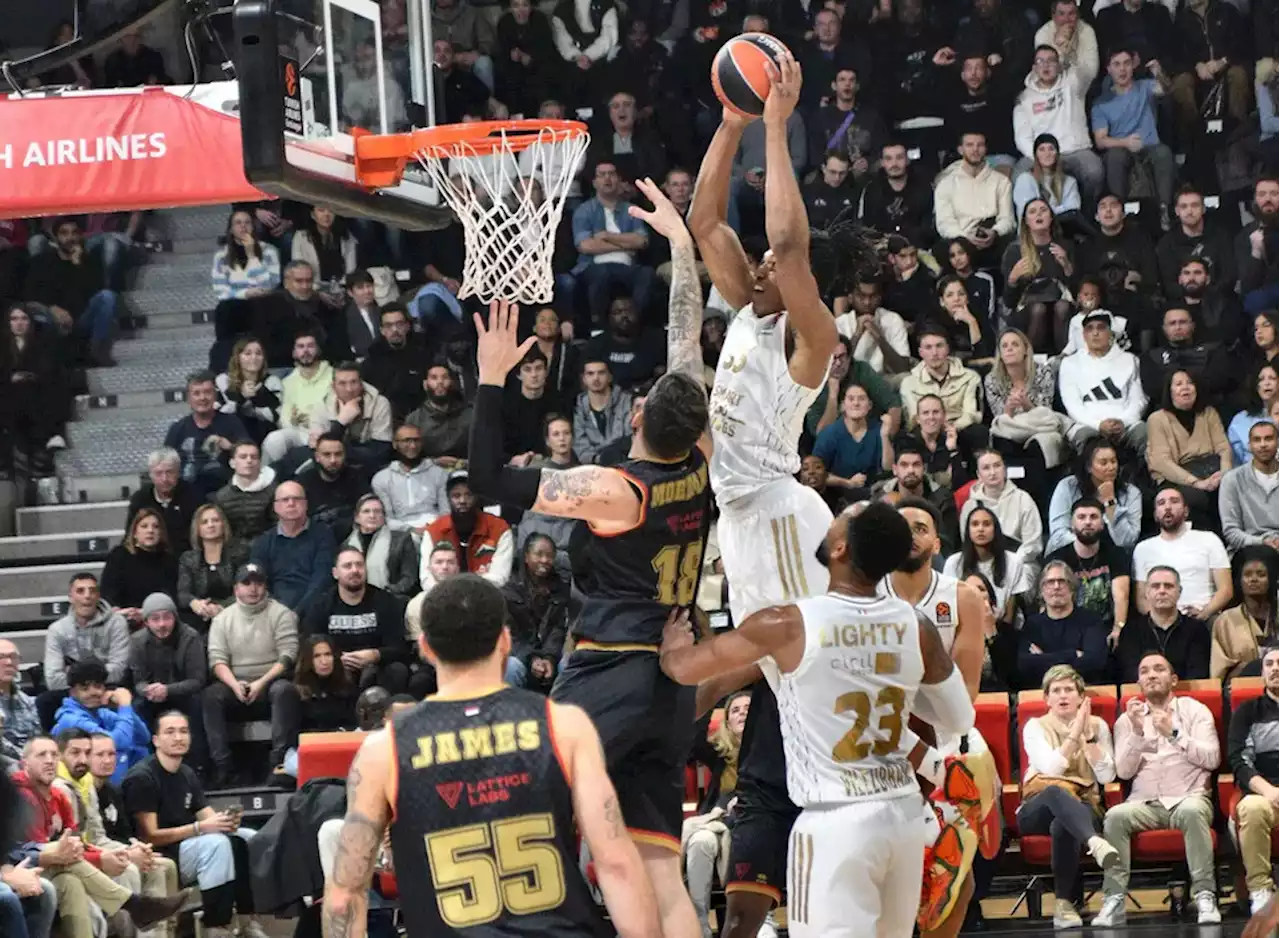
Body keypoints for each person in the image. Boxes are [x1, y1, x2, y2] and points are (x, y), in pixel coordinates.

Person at [467, 175, 716, 937]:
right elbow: (685, 341)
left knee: (517, 797)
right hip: (670, 679)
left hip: (612, 665)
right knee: (656, 870)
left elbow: (485, 482)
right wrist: (680, 245)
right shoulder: (702, 457)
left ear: (638, 412)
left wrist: (489, 377)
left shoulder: (613, 490)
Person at [658, 502, 977, 938]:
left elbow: (686, 671)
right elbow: (958, 716)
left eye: (837, 522)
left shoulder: (789, 623)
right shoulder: (915, 624)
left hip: (834, 821)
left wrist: (674, 646)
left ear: (841, 547)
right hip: (901, 817)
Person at [320, 574, 662, 938]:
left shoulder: (383, 751)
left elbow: (344, 897)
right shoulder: (564, 725)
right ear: (505, 641)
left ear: (425, 647)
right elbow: (616, 865)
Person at [16, 736, 190, 938]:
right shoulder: (20, 795)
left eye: (53, 754)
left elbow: (78, 841)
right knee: (59, 853)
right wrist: (100, 858)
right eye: (41, 755)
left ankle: (141, 910)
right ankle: (136, 905)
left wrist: (120, 851)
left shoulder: (58, 795)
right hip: (24, 867)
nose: (49, 760)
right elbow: (33, 850)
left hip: (59, 869)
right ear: (24, 762)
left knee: (70, 882)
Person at [123, 711, 262, 938]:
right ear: (156, 740)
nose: (178, 737)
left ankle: (248, 920)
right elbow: (149, 835)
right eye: (170, 732)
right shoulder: (143, 777)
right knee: (215, 845)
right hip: (160, 852)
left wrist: (227, 822)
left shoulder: (186, 772)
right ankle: (216, 926)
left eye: (183, 731)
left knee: (247, 836)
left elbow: (207, 817)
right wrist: (200, 828)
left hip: (188, 846)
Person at [1016, 665, 1117, 928]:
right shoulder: (1034, 726)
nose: (1063, 696)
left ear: (1081, 697)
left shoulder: (1097, 726)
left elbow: (1106, 777)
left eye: (1069, 690)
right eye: (1056, 690)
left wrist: (1089, 736)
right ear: (1046, 698)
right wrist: (1074, 735)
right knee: (1054, 790)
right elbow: (1051, 770)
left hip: (1083, 806)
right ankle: (1095, 842)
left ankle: (1063, 905)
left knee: (1063, 824)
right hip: (1037, 806)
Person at [203, 564, 301, 787]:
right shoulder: (223, 619)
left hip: (269, 683)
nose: (253, 588)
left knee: (284, 690)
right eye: (246, 583)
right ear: (236, 588)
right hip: (235, 685)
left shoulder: (281, 613)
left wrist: (260, 683)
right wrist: (235, 685)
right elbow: (217, 660)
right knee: (211, 696)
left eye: (258, 583)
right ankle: (223, 768)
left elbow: (288, 656)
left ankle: (280, 763)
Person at [683, 691, 749, 938]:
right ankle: (699, 924)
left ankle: (748, 922)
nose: (742, 712)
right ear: (728, 722)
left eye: (748, 708)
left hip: (751, 821)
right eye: (735, 710)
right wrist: (714, 696)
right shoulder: (720, 754)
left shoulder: (774, 751)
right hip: (716, 820)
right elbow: (694, 740)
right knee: (700, 841)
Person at [301, 547, 410, 693]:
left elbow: (399, 647)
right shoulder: (321, 605)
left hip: (377, 670)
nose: (354, 570)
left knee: (398, 669)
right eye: (347, 566)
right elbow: (310, 644)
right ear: (335, 573)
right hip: (336, 669)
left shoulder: (386, 601)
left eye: (359, 565)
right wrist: (337, 659)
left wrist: (375, 655)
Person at [40, 574, 130, 730]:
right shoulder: (57, 629)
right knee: (44, 701)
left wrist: (84, 681)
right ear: (70, 597)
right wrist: (83, 688)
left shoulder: (117, 623)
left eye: (92, 591)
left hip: (107, 687)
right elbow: (53, 679)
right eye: (80, 591)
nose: (87, 596)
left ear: (98, 596)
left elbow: (119, 670)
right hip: (73, 690)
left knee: (128, 696)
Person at [1228, 645, 1280, 912]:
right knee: (1250, 808)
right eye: (1269, 664)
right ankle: (1260, 888)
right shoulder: (1248, 712)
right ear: (1262, 673)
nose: (1275, 668)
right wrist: (1268, 791)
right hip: (1265, 792)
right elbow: (1238, 760)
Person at [127, 593, 206, 766]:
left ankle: (198, 766)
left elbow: (197, 680)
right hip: (153, 697)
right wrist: (148, 690)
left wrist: (168, 690)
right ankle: (146, 763)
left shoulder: (190, 637)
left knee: (198, 702)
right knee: (137, 706)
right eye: (155, 619)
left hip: (184, 694)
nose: (162, 624)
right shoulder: (137, 641)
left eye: (166, 618)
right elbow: (138, 681)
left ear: (175, 618)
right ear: (146, 622)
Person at [1132, 486, 1233, 619]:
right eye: (1161, 503)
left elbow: (1226, 590)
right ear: (1156, 515)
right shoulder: (1142, 549)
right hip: (1160, 622)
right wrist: (1164, 620)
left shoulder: (1209, 539)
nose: (1168, 507)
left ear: (1186, 511)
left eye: (1174, 501)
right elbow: (1141, 600)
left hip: (1204, 617)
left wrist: (1204, 613)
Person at [1058, 311, 1149, 457]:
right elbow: (1072, 404)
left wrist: (1123, 422)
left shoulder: (1130, 360)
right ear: (1084, 335)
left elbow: (1139, 399)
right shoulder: (1070, 363)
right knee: (1084, 437)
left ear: (1111, 333)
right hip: (1088, 424)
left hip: (1125, 423)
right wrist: (1098, 425)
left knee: (1144, 432)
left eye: (1100, 328)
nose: (1095, 333)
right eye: (1089, 329)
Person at [1044, 497, 1132, 644]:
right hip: (1068, 629)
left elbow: (1121, 596)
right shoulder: (1057, 558)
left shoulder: (1116, 554)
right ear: (1072, 524)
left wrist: (1118, 628)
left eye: (1094, 517)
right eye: (1081, 517)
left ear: (1103, 523)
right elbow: (1048, 600)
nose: (1088, 522)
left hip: (1106, 627)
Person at [51, 660, 150, 786]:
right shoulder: (70, 719)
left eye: (98, 686)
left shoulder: (101, 713)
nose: (93, 692)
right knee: (115, 753)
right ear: (72, 692)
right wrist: (124, 706)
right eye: (85, 688)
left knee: (140, 751)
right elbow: (117, 743)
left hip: (101, 783)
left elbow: (143, 737)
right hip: (77, 784)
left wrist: (123, 707)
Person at [249, 481, 337, 614]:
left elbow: (322, 580)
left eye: (297, 499)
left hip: (314, 609)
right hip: (272, 612)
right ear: (275, 507)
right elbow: (260, 582)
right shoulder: (263, 542)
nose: (291, 503)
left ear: (306, 504)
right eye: (285, 500)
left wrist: (298, 612)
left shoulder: (323, 535)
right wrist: (278, 614)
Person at [1018, 562, 1109, 687]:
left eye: (1062, 581)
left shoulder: (1091, 620)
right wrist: (1072, 655)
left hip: (1085, 690)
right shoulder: (1033, 624)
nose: (1056, 587)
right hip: (1042, 694)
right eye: (1050, 582)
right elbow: (1025, 665)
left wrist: (1043, 658)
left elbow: (1095, 662)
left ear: (1072, 588)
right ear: (1042, 590)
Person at [418, 471, 514, 590]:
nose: (462, 500)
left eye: (468, 495)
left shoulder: (499, 529)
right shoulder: (434, 530)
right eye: (456, 496)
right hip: (443, 596)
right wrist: (449, 594)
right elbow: (426, 578)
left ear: (477, 497)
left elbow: (500, 577)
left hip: (485, 595)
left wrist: (467, 590)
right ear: (448, 498)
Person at [501, 534, 571, 691]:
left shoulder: (561, 589)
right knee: (511, 667)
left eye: (549, 556)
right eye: (539, 554)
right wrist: (531, 658)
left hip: (551, 655)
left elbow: (558, 630)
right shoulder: (509, 590)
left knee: (569, 664)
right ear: (526, 557)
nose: (544, 560)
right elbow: (510, 634)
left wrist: (549, 658)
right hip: (520, 655)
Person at [1115, 567, 1212, 682]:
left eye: (1168, 586)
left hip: (1186, 695)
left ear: (1179, 592)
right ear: (1147, 592)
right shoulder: (1130, 631)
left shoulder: (1197, 630)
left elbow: (1198, 673)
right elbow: (1130, 673)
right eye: (1155, 586)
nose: (1162, 591)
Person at [1046, 438, 1142, 553]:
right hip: (1070, 553)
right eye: (1103, 463)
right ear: (1089, 467)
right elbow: (1058, 535)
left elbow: (1126, 541)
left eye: (1113, 461)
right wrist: (1090, 548)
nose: (1111, 467)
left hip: (1112, 557)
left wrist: (1110, 501)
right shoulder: (1067, 486)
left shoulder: (1131, 493)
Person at [942, 506, 1032, 625]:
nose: (980, 529)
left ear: (995, 529)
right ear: (967, 530)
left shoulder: (1013, 561)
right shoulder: (953, 563)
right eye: (975, 524)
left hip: (1005, 630)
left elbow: (1010, 615)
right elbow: (950, 605)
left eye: (986, 524)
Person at [959, 449, 1043, 572]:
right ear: (978, 474)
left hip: (1019, 563)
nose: (992, 472)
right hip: (982, 564)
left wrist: (1010, 564)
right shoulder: (970, 506)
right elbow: (968, 543)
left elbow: (1033, 544)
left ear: (1004, 469)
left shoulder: (1023, 499)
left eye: (997, 466)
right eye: (986, 468)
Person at [178, 504, 251, 634]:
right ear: (198, 529)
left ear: (223, 525)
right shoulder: (188, 558)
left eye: (215, 520)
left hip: (235, 616)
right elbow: (183, 593)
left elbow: (246, 589)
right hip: (200, 619)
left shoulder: (240, 553)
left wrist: (221, 608)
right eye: (204, 522)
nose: (211, 525)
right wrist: (195, 603)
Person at [811, 383, 892, 499]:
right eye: (851, 399)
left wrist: (885, 436)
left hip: (872, 495)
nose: (856, 403)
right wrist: (847, 483)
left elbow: (888, 467)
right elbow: (817, 475)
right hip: (836, 497)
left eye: (861, 399)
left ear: (869, 405)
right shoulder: (829, 434)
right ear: (843, 405)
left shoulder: (878, 429)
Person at [100, 508, 179, 627]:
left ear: (161, 533)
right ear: (135, 533)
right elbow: (108, 593)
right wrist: (120, 612)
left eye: (155, 527)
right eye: (144, 526)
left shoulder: (169, 560)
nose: (150, 530)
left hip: (158, 619)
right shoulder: (119, 555)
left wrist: (146, 612)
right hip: (124, 619)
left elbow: (171, 596)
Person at [1212, 547, 1280, 678]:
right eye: (1247, 574)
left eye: (1261, 574)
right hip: (1241, 691)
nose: (1253, 579)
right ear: (1239, 581)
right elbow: (1220, 673)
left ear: (1272, 579)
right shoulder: (1225, 621)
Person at [369, 425, 448, 534]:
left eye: (416, 440)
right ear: (395, 444)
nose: (412, 446)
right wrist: (412, 530)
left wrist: (433, 528)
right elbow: (387, 518)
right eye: (406, 441)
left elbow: (446, 512)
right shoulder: (381, 478)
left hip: (435, 528)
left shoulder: (439, 473)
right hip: (399, 532)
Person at [342, 495, 420, 599]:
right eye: (366, 511)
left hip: (392, 597)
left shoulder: (402, 539)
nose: (372, 515)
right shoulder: (347, 545)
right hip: (356, 598)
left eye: (377, 511)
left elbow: (409, 577)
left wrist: (388, 592)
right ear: (357, 517)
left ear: (384, 517)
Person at [1221, 421, 1280, 553]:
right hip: (1248, 549)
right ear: (1249, 445)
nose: (1263, 444)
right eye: (1257, 440)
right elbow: (1231, 531)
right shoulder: (1232, 479)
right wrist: (1262, 542)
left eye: (1268, 439)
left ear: (1278, 442)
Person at [214, 338, 282, 447]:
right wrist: (242, 397)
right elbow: (219, 414)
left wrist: (258, 395)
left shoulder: (272, 382)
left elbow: (276, 417)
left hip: (263, 436)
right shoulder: (223, 380)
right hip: (230, 436)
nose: (254, 358)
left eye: (258, 353)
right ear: (238, 357)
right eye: (248, 353)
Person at [212, 442, 277, 543]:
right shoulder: (221, 496)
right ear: (232, 463)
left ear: (260, 462)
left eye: (254, 457)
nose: (249, 460)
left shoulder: (275, 491)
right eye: (243, 457)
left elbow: (278, 526)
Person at [1229, 364, 1280, 466]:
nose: (1267, 383)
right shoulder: (1240, 420)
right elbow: (1236, 460)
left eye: (1272, 378)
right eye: (1261, 379)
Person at [0, 638, 40, 763]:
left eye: (13, 657)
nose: (9, 662)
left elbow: (37, 740)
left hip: (30, 765)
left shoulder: (29, 702)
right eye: (1, 657)